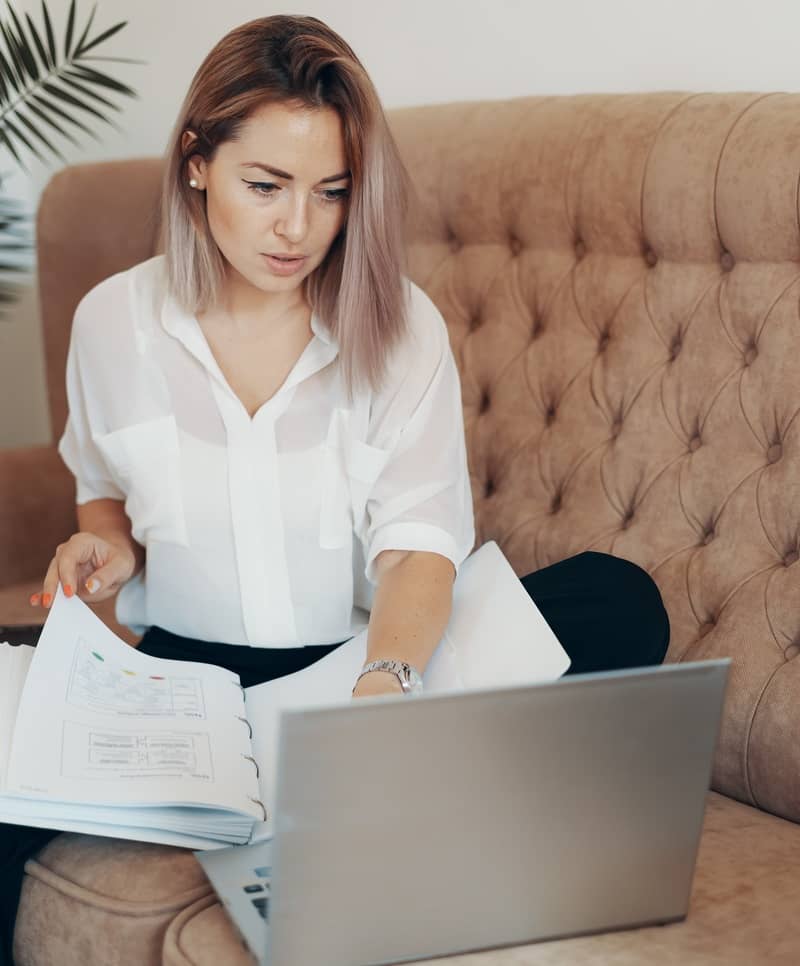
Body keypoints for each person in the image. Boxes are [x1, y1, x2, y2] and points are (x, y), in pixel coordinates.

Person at [1, 14, 669, 963]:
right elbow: (103, 491)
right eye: (265, 186)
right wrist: (105, 544)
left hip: (358, 667)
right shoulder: (114, 322)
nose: (298, 228)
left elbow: (417, 550)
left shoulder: (402, 329)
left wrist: (384, 692)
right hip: (188, 680)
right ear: (197, 161)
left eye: (331, 193)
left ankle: (386, 764)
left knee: (617, 598)